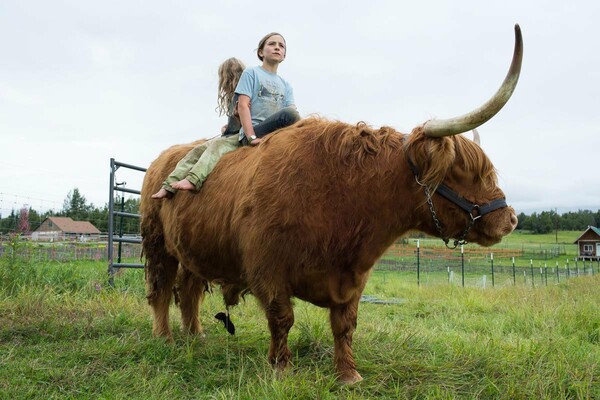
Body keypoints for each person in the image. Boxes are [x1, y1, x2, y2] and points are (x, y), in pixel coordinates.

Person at [152, 32, 300, 199]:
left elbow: (292, 111)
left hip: (274, 130)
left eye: (281, 46)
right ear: (261, 52)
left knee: (291, 114)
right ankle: (176, 183)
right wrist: (250, 136)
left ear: (285, 54)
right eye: (272, 44)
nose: (277, 47)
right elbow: (243, 105)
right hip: (252, 130)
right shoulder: (252, 74)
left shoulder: (286, 85)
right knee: (201, 149)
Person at [151, 58, 245, 199]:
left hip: (240, 136)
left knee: (214, 149)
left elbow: (251, 119)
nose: (227, 83)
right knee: (196, 150)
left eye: (228, 78)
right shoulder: (232, 98)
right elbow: (236, 122)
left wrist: (238, 125)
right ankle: (168, 185)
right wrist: (229, 126)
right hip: (230, 135)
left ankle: (194, 179)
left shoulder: (246, 95)